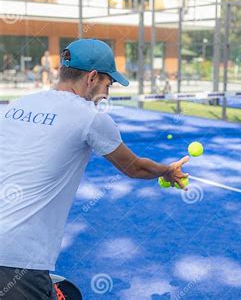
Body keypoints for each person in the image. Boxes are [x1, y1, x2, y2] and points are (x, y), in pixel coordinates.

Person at [0, 39, 189, 299]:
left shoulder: (18, 104)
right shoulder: (89, 116)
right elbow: (134, 167)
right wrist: (166, 170)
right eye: (107, 85)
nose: (107, 95)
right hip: (17, 255)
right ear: (91, 78)